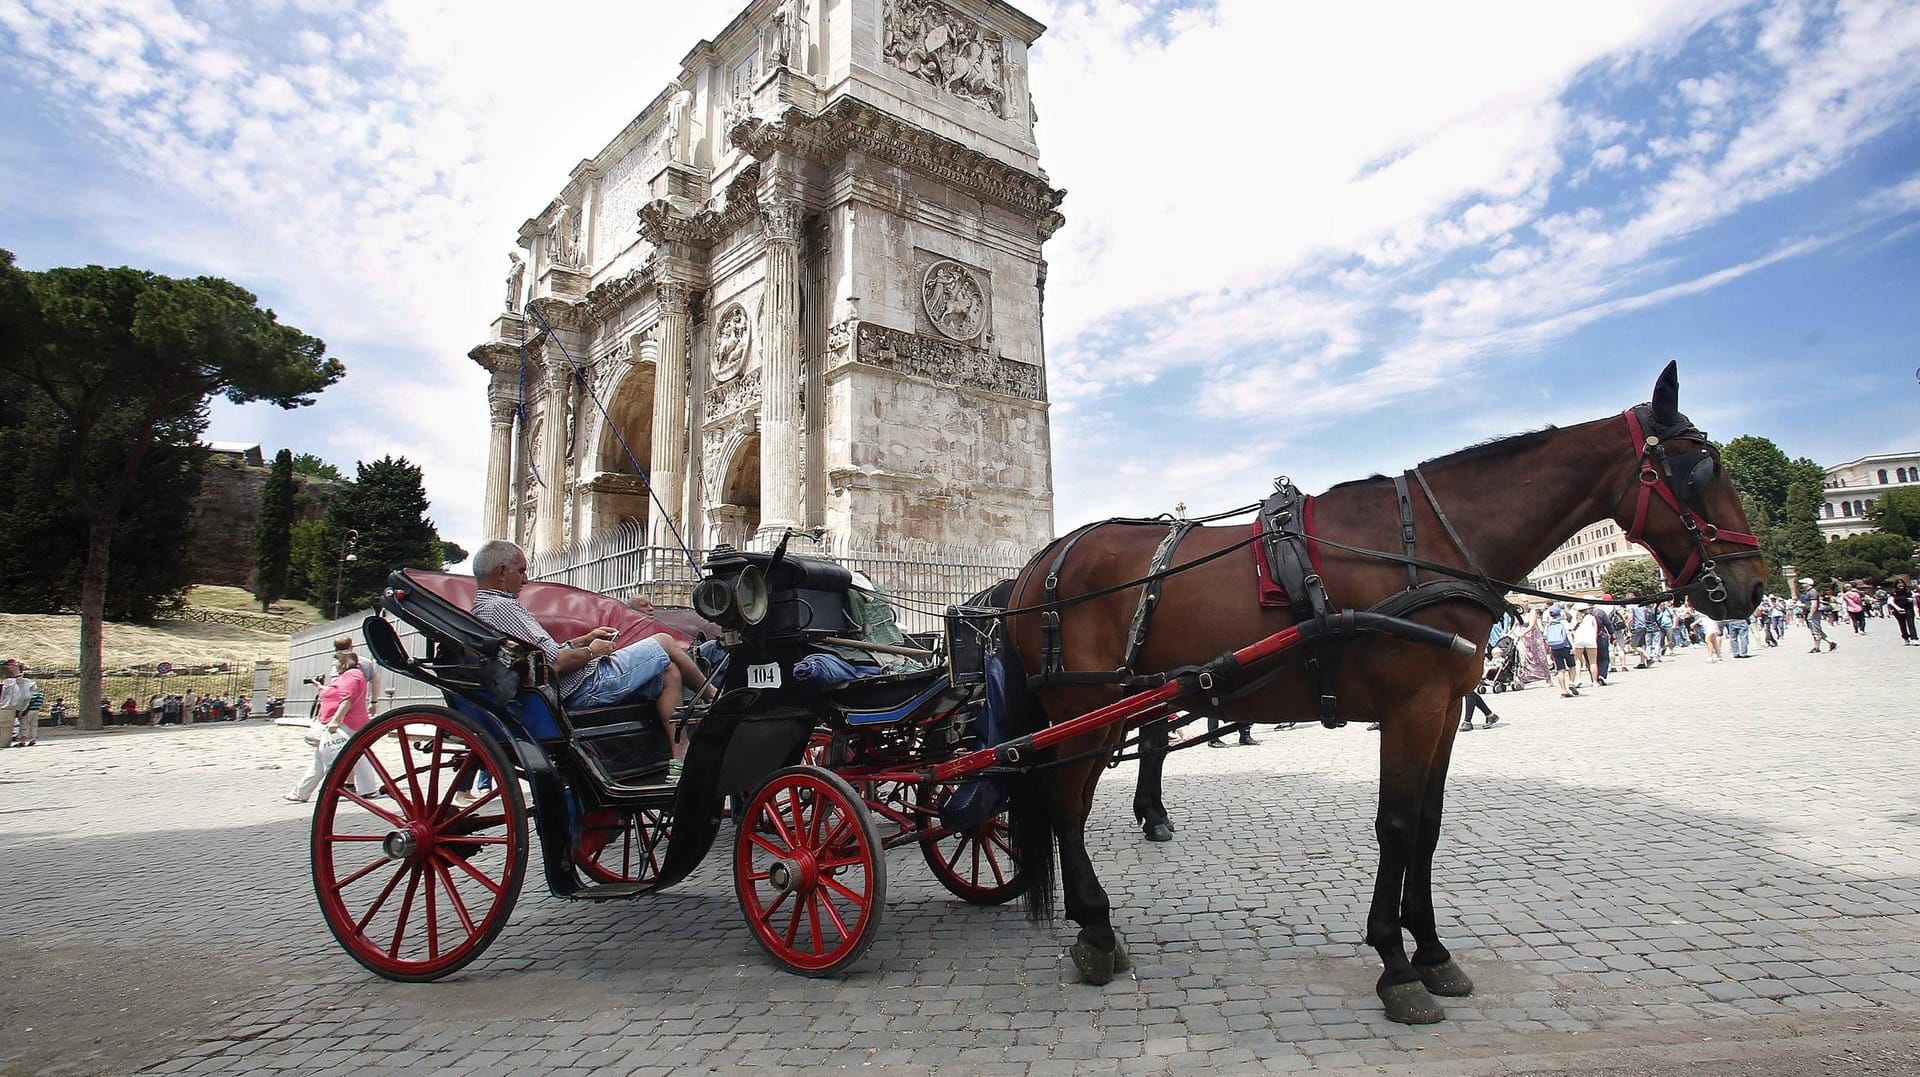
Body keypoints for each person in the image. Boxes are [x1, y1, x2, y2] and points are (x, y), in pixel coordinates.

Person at [469, 539, 714, 775]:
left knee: (668, 668)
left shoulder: (486, 608)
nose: (526, 579)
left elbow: (546, 653)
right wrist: (592, 651)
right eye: (521, 571)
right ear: (502, 572)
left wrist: (584, 639)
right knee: (665, 641)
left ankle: (679, 753)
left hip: (567, 685)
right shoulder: (499, 608)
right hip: (581, 686)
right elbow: (555, 662)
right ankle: (715, 697)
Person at [285, 649, 378, 803]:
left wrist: (336, 720)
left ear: (343, 662)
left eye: (336, 661)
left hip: (344, 722)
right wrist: (319, 687)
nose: (334, 665)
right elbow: (337, 693)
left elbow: (347, 699)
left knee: (324, 755)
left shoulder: (351, 676)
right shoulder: (351, 676)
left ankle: (302, 792)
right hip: (349, 721)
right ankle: (368, 789)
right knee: (356, 756)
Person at [1543, 605, 1579, 697]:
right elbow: (1568, 634)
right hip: (1565, 646)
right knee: (1572, 666)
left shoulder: (1548, 624)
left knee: (1560, 669)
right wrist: (1573, 646)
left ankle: (1563, 690)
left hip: (1555, 648)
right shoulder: (1564, 622)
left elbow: (1546, 637)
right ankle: (1571, 682)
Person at [2, 660, 34, 747]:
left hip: (11, 711)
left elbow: (25, 695)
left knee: (4, 741)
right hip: (5, 709)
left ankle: (22, 741)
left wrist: (17, 674)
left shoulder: (26, 682)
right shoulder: (6, 682)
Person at [1798, 578, 1835, 653]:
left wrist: (1811, 614)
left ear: (1807, 584)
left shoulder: (1812, 592)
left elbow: (1814, 604)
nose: (1802, 585)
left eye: (1803, 583)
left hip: (1814, 613)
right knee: (1816, 630)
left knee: (1815, 630)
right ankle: (1830, 642)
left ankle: (1816, 647)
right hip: (1811, 612)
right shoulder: (1809, 592)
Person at [1571, 604, 1600, 687]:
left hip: (1578, 639)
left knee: (1578, 660)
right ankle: (1594, 681)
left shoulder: (1575, 618)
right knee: (1593, 662)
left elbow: (1571, 630)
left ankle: (1578, 679)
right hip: (1590, 639)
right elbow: (1595, 630)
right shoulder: (1591, 617)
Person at [1891, 580, 1917, 645]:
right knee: (1902, 625)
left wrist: (1917, 613)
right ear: (1896, 585)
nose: (1901, 585)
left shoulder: (1908, 592)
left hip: (1909, 609)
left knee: (1911, 624)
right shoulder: (1894, 593)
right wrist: (1898, 609)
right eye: (1899, 584)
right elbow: (1891, 602)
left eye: (1902, 584)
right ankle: (1906, 638)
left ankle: (1914, 638)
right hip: (1898, 611)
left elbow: (1914, 602)